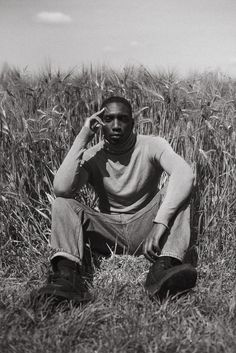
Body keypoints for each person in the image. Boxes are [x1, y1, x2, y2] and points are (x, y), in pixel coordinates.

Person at [39, 96, 197, 303]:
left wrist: (160, 224)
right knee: (62, 203)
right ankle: (67, 278)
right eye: (109, 119)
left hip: (147, 228)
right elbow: (61, 188)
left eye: (122, 119)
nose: (115, 125)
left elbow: (185, 173)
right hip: (108, 233)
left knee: (180, 189)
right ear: (100, 123)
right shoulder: (92, 156)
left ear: (132, 123)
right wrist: (83, 137)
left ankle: (164, 268)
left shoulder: (151, 145)